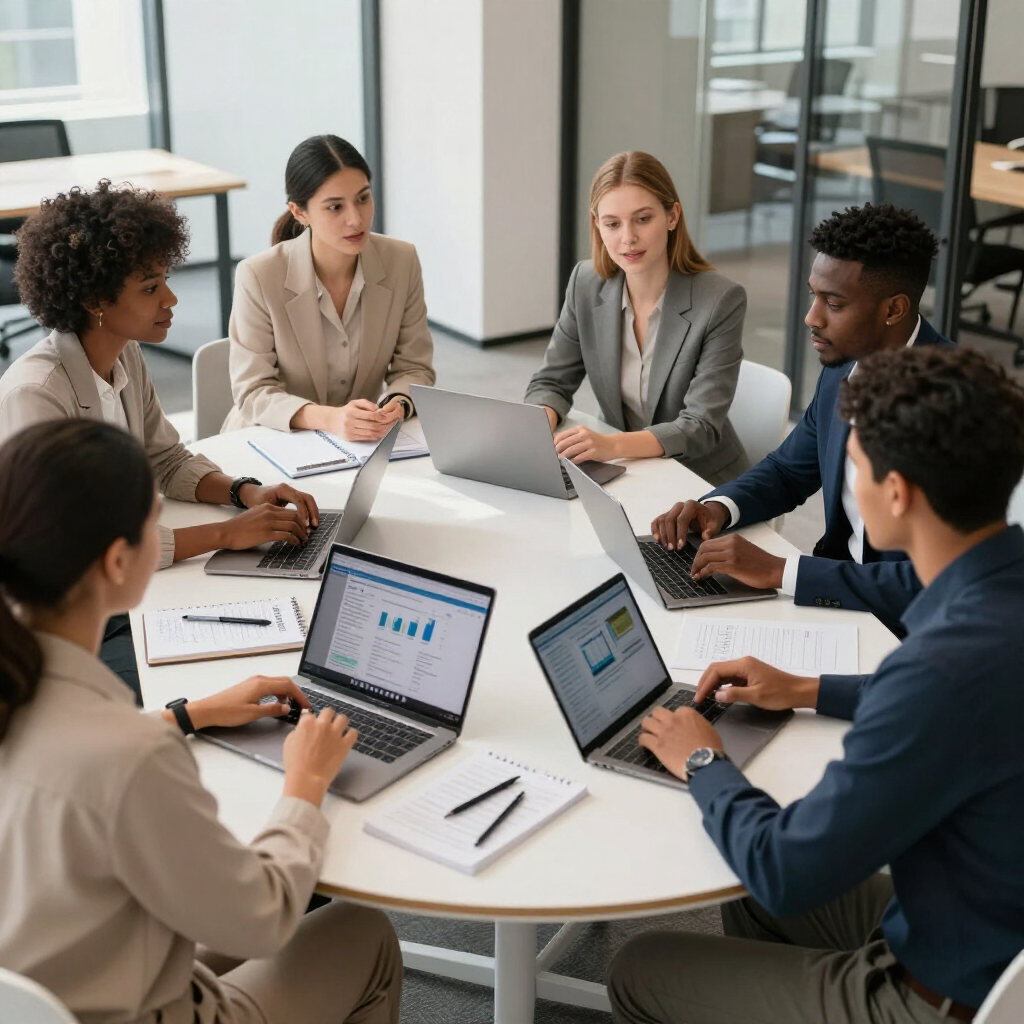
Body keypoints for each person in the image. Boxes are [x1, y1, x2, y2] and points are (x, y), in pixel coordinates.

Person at [609, 346, 1024, 1024]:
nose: (849, 484)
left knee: (641, 967)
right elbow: (967, 708)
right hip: (981, 927)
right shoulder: (996, 598)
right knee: (743, 879)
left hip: (943, 999)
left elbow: (785, 868)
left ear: (898, 493)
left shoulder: (937, 670)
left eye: (856, 467)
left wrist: (703, 760)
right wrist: (806, 688)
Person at [0, 419, 402, 1024]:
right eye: (152, 521)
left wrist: (188, 715)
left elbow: (67, 763)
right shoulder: (131, 758)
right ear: (117, 562)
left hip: (51, 990)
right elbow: (261, 918)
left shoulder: (22, 690)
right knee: (363, 933)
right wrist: (305, 785)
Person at [0, 180, 319, 702]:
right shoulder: (36, 396)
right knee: (197, 688)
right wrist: (225, 536)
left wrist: (245, 492)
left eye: (165, 280)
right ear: (95, 300)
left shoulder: (123, 354)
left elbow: (165, 458)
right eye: (150, 288)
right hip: (63, 632)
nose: (171, 299)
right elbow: (81, 551)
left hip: (123, 593)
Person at [650, 203, 952, 634]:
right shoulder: (842, 368)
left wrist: (783, 572)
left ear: (893, 309)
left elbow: (938, 580)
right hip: (836, 601)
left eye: (834, 303)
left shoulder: (958, 410)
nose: (812, 317)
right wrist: (716, 507)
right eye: (814, 295)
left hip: (913, 630)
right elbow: (790, 471)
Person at [524, 151, 749, 486]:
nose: (627, 237)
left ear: (672, 216)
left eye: (643, 219)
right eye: (612, 223)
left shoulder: (719, 300)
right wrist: (537, 422)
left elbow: (700, 426)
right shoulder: (585, 283)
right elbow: (552, 382)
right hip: (624, 471)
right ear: (597, 225)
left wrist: (610, 445)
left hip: (699, 480)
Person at [223, 134, 436, 440]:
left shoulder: (402, 261)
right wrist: (332, 418)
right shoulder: (258, 275)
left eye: (363, 198)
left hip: (362, 442)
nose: (356, 219)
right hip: (274, 438)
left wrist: (397, 404)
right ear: (300, 212)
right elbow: (253, 393)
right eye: (335, 207)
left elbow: (415, 367)